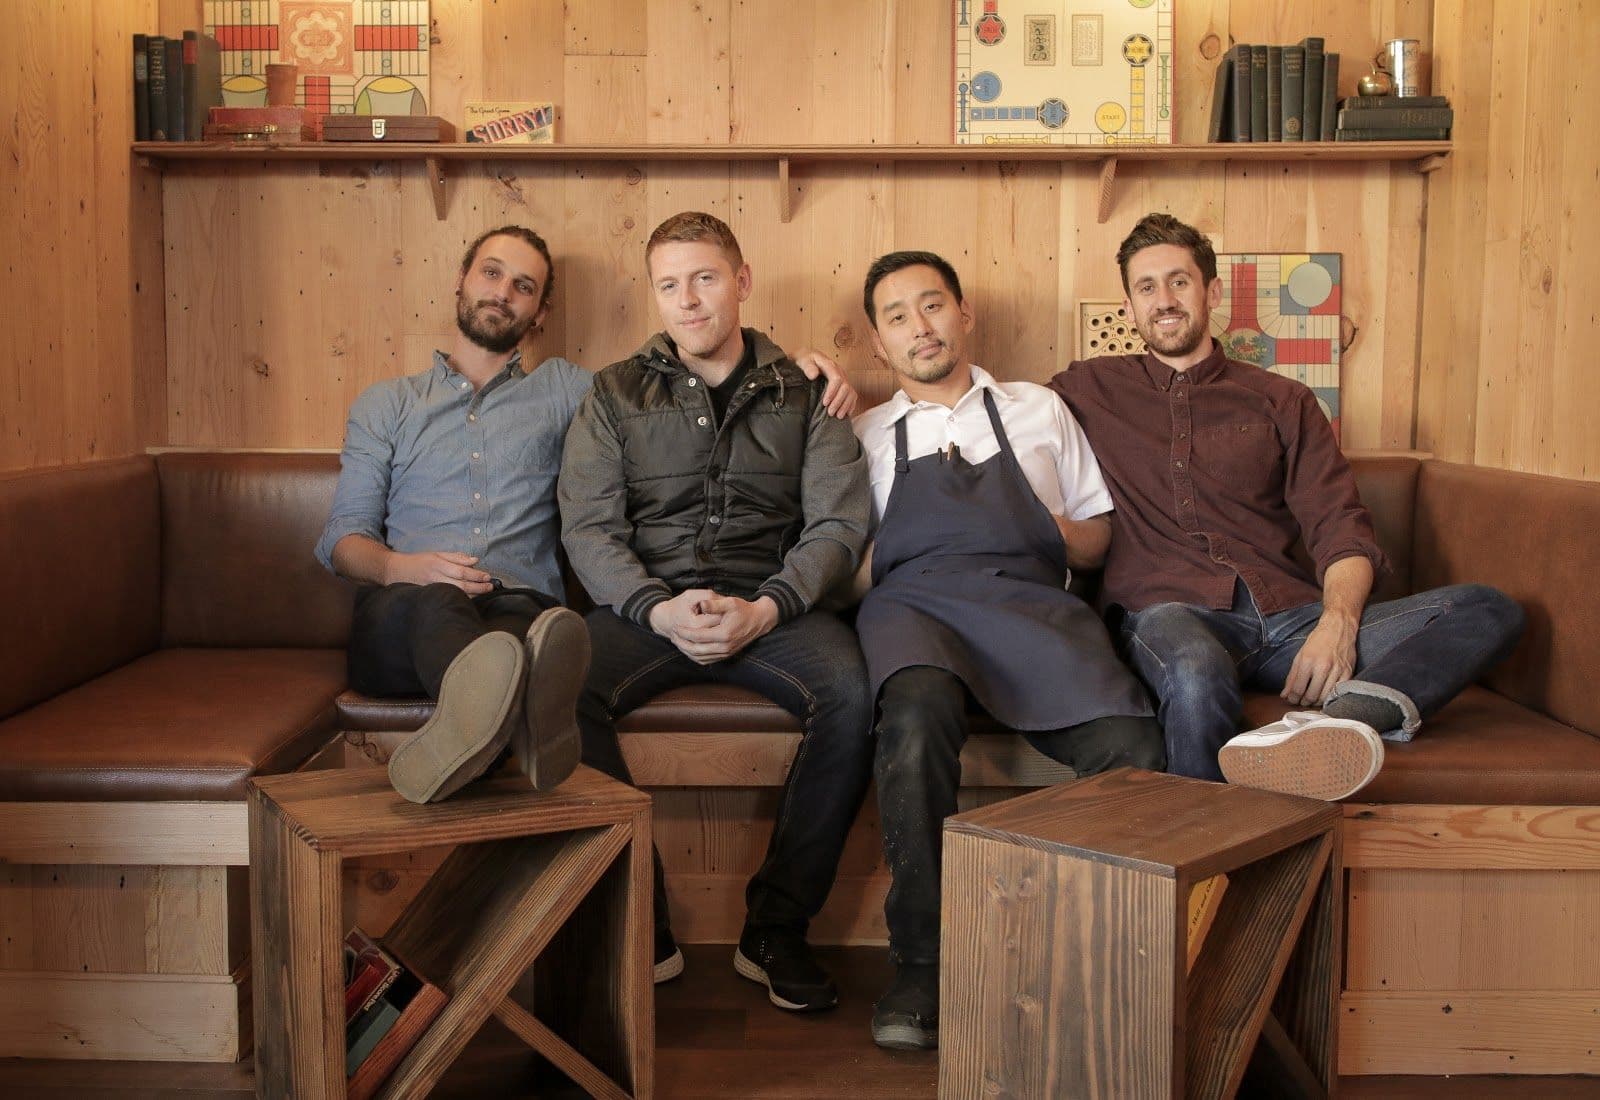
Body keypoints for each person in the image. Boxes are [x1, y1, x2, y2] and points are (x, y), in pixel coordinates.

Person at [1049, 212, 1525, 799]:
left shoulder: (1282, 401)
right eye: (1146, 288)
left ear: (1212, 292)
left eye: (1179, 281)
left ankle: (1334, 725)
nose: (1164, 300)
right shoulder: (1086, 390)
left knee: (1487, 609)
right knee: (1196, 674)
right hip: (1167, 611)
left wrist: (1338, 622)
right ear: (1129, 308)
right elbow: (992, 417)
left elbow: (1340, 526)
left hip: (1288, 622)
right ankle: (1206, 863)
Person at [558, 212, 875, 1007]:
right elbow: (588, 527)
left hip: (779, 606)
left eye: (704, 278)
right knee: (557, 685)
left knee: (852, 696)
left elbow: (839, 524)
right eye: (669, 284)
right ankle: (642, 921)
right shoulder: (614, 392)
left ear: (742, 281)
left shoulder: (807, 391)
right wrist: (655, 609)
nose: (688, 300)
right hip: (651, 608)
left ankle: (776, 931)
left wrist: (768, 608)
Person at [851, 251, 1166, 1051]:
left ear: (964, 314)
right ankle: (923, 966)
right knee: (914, 717)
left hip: (1031, 607)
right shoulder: (861, 435)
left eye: (931, 305)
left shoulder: (1038, 409)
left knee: (1132, 745)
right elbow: (840, 567)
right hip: (913, 608)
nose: (919, 327)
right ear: (879, 343)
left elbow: (1095, 542)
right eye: (897, 316)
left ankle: (1095, 961)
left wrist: (1028, 519)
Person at [315, 225, 592, 805]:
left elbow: (664, 387)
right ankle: (516, 722)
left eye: (523, 286)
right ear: (460, 283)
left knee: (532, 648)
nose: (502, 292)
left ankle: (469, 737)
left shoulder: (565, 391)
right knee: (452, 614)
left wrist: (783, 360)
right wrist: (404, 568)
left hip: (513, 610)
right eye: (490, 273)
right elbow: (342, 541)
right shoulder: (387, 403)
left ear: (538, 312)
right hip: (400, 617)